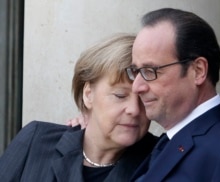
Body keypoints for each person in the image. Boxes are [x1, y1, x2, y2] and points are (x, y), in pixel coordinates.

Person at [0, 34, 158, 182]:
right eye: (120, 96)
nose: (135, 110)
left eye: (144, 98)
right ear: (88, 94)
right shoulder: (36, 140)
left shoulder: (161, 160)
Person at [125, 8, 220, 181]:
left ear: (198, 71)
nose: (136, 87)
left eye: (150, 70)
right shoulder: (170, 139)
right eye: (135, 71)